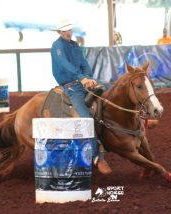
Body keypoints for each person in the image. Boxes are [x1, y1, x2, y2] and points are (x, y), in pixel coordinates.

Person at [50, 18, 112, 174]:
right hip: (71, 87)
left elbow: (84, 62)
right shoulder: (57, 46)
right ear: (59, 32)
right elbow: (65, 64)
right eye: (65, 30)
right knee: (86, 120)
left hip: (82, 82)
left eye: (70, 30)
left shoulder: (74, 45)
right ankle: (96, 157)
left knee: (111, 92)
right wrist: (81, 77)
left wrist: (89, 77)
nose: (68, 32)